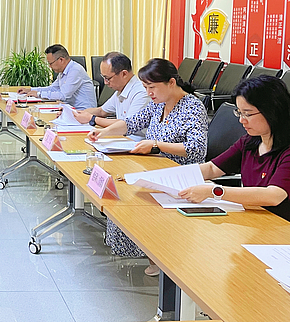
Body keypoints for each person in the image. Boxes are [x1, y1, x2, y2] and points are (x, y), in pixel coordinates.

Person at [87, 58, 208, 276]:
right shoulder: (158, 103)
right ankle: (150, 252)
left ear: (171, 83)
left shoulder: (192, 107)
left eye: (152, 87)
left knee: (129, 198)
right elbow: (132, 123)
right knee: (120, 190)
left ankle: (160, 255)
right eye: (145, 87)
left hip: (177, 175)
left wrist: (156, 145)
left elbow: (196, 149)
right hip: (153, 168)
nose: (148, 93)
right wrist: (104, 132)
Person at [179, 76, 290, 231]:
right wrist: (171, 176)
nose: (242, 120)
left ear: (272, 111)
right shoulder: (249, 142)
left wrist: (214, 191)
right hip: (257, 219)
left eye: (247, 114)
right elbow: (212, 168)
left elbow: (273, 196)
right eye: (239, 113)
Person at [71, 52, 150, 133]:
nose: (105, 82)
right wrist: (74, 114)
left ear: (124, 74)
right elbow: (101, 111)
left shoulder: (141, 93)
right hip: (121, 137)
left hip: (135, 139)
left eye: (108, 78)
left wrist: (92, 119)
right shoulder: (121, 90)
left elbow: (127, 125)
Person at [18, 44, 96, 110]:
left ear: (61, 60)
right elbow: (53, 88)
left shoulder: (75, 70)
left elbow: (63, 95)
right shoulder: (63, 71)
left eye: (51, 63)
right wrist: (30, 90)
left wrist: (39, 94)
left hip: (84, 113)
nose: (50, 66)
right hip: (70, 110)